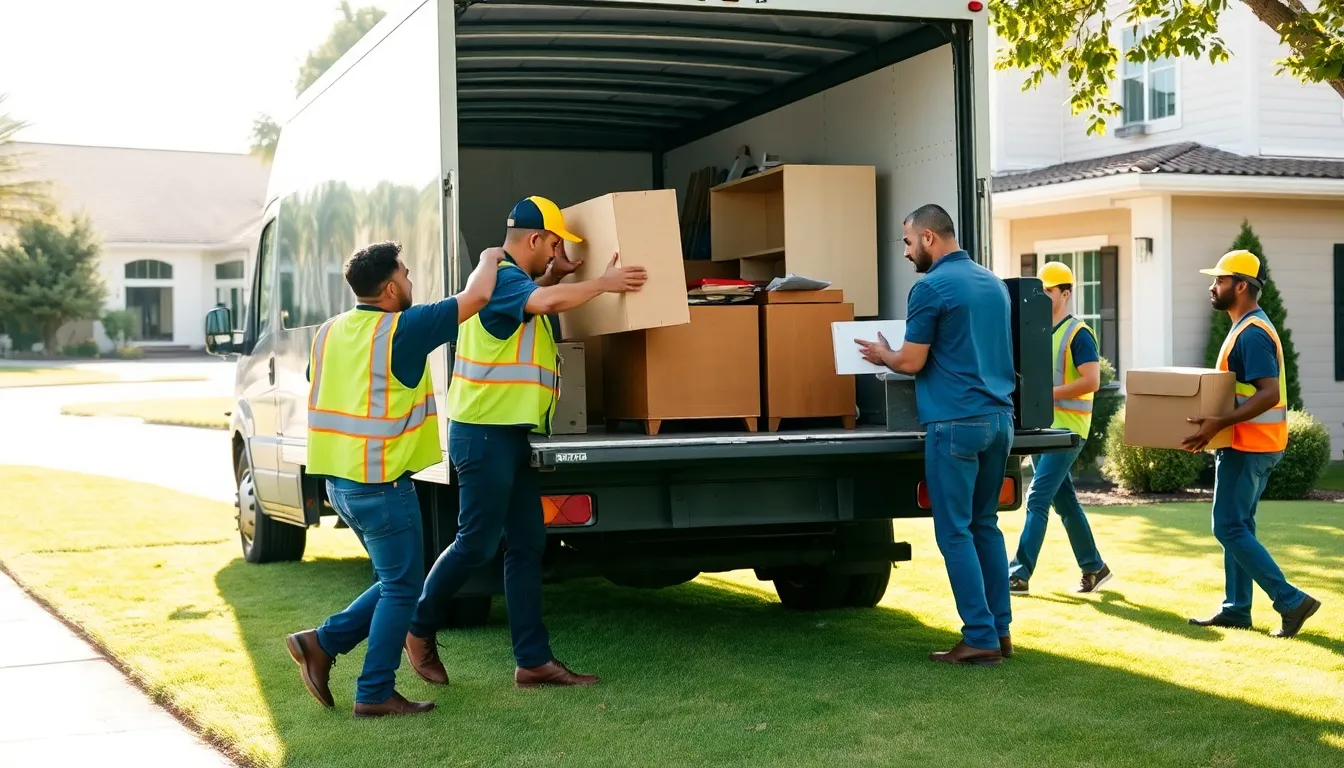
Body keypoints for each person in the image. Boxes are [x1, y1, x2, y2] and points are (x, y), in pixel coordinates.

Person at [405, 196, 647, 688]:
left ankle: (533, 662)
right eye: (554, 245)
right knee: (476, 544)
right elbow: (542, 303)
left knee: (526, 544)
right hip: (485, 436)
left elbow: (533, 297)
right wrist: (600, 284)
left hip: (510, 436)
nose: (556, 254)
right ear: (535, 240)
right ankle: (418, 626)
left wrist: (556, 277)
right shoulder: (505, 281)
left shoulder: (508, 280)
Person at [285, 240, 506, 719]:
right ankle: (374, 692)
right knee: (403, 588)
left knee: (397, 581)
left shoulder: (329, 331)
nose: (410, 281)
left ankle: (320, 644)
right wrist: (492, 256)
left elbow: (320, 377)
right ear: (389, 288)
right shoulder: (403, 329)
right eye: (405, 274)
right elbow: (478, 297)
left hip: (338, 484)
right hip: (380, 485)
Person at [855, 204, 1017, 666]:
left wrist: (884, 353)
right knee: (985, 524)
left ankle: (980, 636)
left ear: (928, 238)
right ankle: (1000, 631)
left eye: (907, 242)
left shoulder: (930, 287)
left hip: (955, 425)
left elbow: (911, 362)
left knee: (955, 532)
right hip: (999, 420)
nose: (906, 252)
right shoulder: (992, 284)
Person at [1182, 249, 1321, 638]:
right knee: (1240, 525)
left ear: (1241, 286)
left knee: (1227, 526)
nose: (1212, 287)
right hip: (1251, 443)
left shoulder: (1253, 333)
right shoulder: (1246, 326)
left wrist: (1217, 423)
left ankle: (1291, 601)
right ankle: (1237, 608)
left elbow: (1267, 393)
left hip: (1250, 446)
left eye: (1220, 281)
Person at [1007, 261, 1112, 595]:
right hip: (1045, 431)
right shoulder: (1039, 333)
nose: (1042, 297)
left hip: (1068, 431)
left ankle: (1019, 573)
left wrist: (1045, 394)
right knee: (1063, 500)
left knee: (1037, 496)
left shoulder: (1078, 334)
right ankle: (1094, 566)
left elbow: (1092, 380)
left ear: (1066, 293)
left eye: (1049, 291)